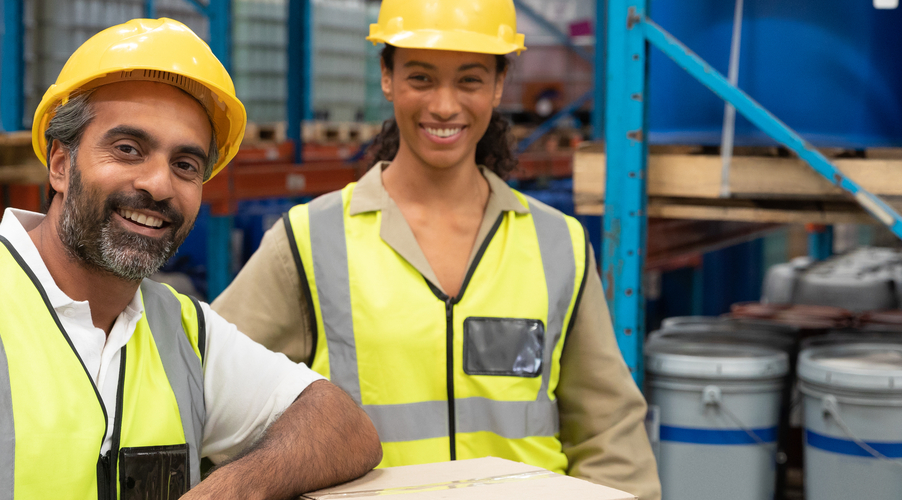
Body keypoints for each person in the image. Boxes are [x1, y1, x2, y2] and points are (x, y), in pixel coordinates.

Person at [0, 19, 381, 500]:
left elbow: (341, 425)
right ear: (60, 164)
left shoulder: (183, 335)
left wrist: (231, 488)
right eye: (127, 148)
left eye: (185, 164)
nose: (158, 184)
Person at [211, 0, 661, 498]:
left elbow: (610, 433)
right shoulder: (309, 240)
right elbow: (210, 388)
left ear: (498, 84)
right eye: (421, 78)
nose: (444, 106)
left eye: (469, 80)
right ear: (387, 76)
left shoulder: (559, 245)